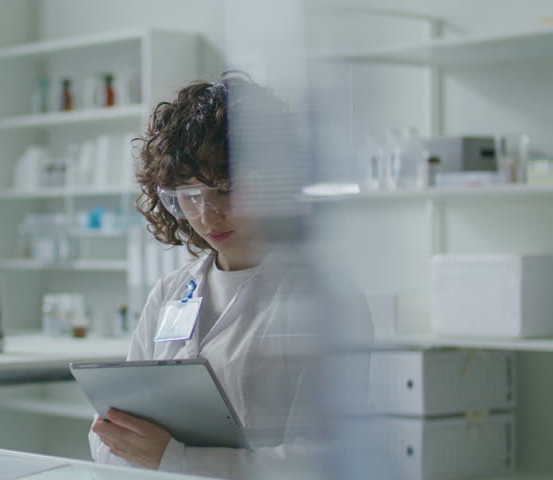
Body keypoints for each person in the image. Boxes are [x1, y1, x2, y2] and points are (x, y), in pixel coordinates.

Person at [88, 75, 372, 480]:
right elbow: (112, 431)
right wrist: (125, 442)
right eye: (188, 196)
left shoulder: (322, 296)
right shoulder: (170, 292)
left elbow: (319, 461)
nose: (207, 215)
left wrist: (174, 459)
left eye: (225, 189)